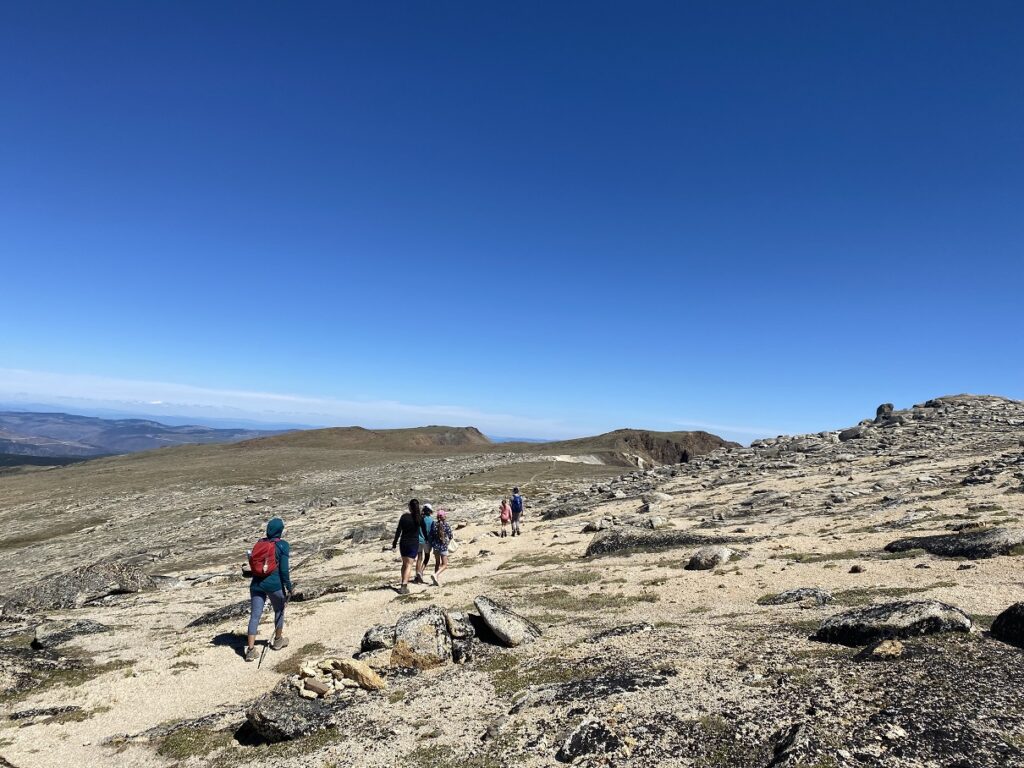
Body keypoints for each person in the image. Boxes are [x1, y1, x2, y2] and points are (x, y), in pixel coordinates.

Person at [245, 517, 292, 662]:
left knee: (255, 616)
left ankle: (250, 650)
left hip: (256, 584)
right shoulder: (282, 545)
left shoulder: (259, 543)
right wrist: (289, 587)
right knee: (279, 610)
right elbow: (284, 570)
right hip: (274, 585)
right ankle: (278, 641)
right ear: (280, 530)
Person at [392, 499, 425, 594]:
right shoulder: (419, 518)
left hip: (403, 543)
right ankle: (404, 585)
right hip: (413, 543)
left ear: (409, 507)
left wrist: (394, 543)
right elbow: (425, 531)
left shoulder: (404, 517)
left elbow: (398, 531)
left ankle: (403, 582)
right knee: (409, 565)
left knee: (404, 564)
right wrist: (427, 540)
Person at [428, 509, 454, 586]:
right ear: (444, 517)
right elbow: (450, 536)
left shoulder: (434, 524)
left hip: (435, 546)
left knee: (437, 563)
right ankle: (436, 575)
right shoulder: (446, 525)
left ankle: (436, 580)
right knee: (445, 565)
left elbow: (431, 534)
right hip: (443, 546)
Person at [415, 503, 435, 583]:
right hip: (427, 541)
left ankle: (417, 575)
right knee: (427, 557)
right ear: (430, 511)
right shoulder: (431, 520)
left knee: (419, 558)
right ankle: (421, 571)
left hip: (418, 540)